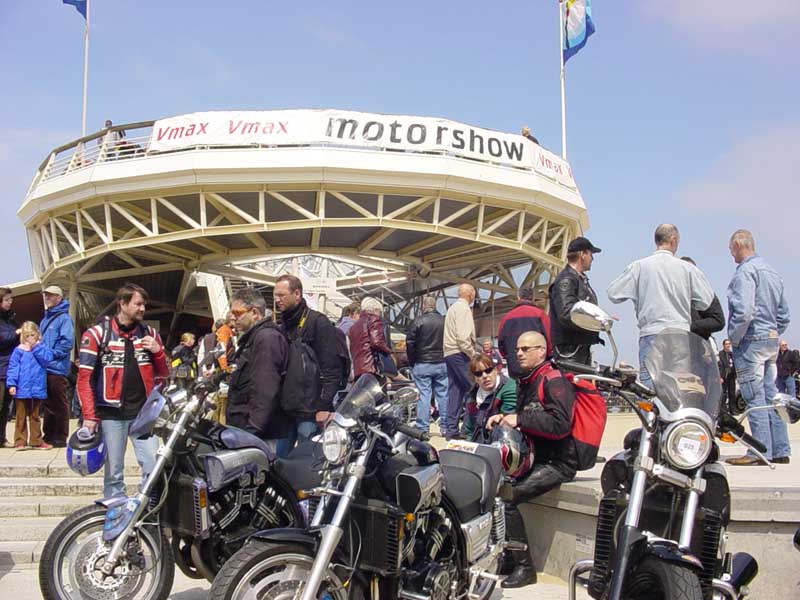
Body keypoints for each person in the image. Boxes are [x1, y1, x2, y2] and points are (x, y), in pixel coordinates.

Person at [486, 331, 580, 588]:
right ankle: (507, 556)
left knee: (506, 498)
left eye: (526, 349)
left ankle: (524, 567)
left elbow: (561, 425)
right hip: (536, 457)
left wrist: (520, 419)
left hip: (558, 463)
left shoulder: (554, 380)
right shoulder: (528, 380)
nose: (519, 353)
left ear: (541, 351)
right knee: (492, 489)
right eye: (517, 349)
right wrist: (505, 418)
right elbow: (528, 416)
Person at [77, 283, 170, 498]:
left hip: (143, 414)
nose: (142, 309)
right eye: (138, 304)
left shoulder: (150, 334)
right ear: (122, 303)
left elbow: (165, 373)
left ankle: (146, 508)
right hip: (111, 415)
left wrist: (158, 352)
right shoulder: (97, 334)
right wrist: (89, 416)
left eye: (144, 305)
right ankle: (115, 512)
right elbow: (84, 379)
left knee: (153, 465)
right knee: (114, 473)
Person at [607, 224, 714, 387]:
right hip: (679, 335)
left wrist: (638, 293)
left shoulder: (639, 267)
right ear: (673, 240)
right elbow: (706, 300)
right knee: (678, 389)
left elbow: (613, 293)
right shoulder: (687, 269)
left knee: (650, 389)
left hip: (651, 333)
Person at [725, 229, 791, 466]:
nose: (731, 254)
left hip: (751, 341)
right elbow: (784, 314)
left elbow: (744, 312)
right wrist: (772, 332)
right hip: (770, 340)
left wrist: (734, 338)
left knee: (754, 397)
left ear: (737, 246)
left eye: (731, 249)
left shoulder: (745, 272)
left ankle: (759, 451)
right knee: (771, 396)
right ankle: (780, 449)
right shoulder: (772, 272)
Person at [274, 274, 347, 444]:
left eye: (282, 295)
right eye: (275, 295)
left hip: (311, 411)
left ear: (297, 294)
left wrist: (324, 405)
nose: (277, 300)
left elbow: (331, 367)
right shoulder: (284, 325)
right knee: (281, 457)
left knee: (307, 456)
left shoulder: (318, 322)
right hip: (286, 408)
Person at [226, 288, 291, 456]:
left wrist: (252, 432)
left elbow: (265, 389)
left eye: (237, 312)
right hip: (247, 430)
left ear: (254, 313)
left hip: (259, 436)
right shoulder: (254, 338)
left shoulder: (266, 338)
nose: (232, 317)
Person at [549, 237, 602, 365]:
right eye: (591, 254)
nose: (592, 259)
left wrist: (601, 318)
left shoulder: (577, 279)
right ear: (583, 254)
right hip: (570, 351)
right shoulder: (567, 280)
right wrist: (596, 320)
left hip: (577, 348)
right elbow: (566, 314)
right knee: (571, 378)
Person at [7, 322, 53, 449]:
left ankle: (36, 440)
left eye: (32, 335)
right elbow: (13, 367)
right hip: (22, 388)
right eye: (27, 336)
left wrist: (36, 347)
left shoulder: (42, 347)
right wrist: (12, 384)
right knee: (20, 416)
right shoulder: (19, 350)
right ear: (23, 336)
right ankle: (20, 441)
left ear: (37, 334)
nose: (30, 338)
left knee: (35, 416)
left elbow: (47, 360)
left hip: (37, 388)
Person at [39, 285, 75, 448]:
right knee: (48, 403)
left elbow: (67, 342)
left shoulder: (64, 319)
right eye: (46, 295)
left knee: (59, 402)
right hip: (45, 367)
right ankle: (48, 435)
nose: (47, 297)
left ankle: (60, 436)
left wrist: (51, 354)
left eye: (50, 295)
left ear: (59, 298)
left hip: (57, 368)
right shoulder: (45, 319)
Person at [406, 295, 448, 434]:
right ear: (435, 306)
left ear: (423, 306)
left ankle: (423, 428)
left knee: (424, 395)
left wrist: (413, 361)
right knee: (443, 395)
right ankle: (445, 426)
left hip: (422, 363)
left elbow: (410, 343)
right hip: (442, 362)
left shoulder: (418, 321)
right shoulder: (444, 321)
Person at [443, 283, 478, 440]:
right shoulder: (464, 309)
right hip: (460, 353)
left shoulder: (452, 308)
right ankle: (472, 426)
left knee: (455, 392)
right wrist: (472, 354)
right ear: (471, 294)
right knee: (475, 387)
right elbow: (463, 337)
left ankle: (451, 429)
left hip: (449, 352)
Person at [497, 286, 551, 378]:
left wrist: (510, 357)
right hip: (537, 368)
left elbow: (501, 345)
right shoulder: (540, 314)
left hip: (515, 368)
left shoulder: (506, 317)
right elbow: (549, 340)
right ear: (533, 298)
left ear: (518, 297)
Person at [464, 354, 516, 443]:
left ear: (495, 370)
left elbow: (508, 419)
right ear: (475, 378)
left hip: (502, 441)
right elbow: (469, 427)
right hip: (478, 442)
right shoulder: (473, 395)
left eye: (488, 371)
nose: (484, 376)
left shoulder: (509, 388)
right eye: (478, 374)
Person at [348, 296, 394, 379]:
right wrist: (389, 351)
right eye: (379, 312)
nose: (379, 314)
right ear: (375, 310)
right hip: (372, 366)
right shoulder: (373, 319)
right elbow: (377, 342)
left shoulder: (354, 326)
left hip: (358, 367)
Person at [681, 257, 725, 341]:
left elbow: (718, 321)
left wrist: (688, 327)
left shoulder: (706, 293)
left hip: (698, 342)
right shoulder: (672, 292)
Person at [0, 287, 17, 448]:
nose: (10, 302)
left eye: (11, 299)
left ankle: (2, 438)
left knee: (5, 407)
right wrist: (17, 333)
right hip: (1, 367)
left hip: (9, 368)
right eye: (7, 300)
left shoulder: (10, 319)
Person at [718, 339, 738, 414]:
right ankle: (724, 411)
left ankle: (732, 410)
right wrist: (720, 376)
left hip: (731, 376)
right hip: (724, 376)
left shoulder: (732, 354)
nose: (728, 345)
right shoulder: (720, 354)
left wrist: (736, 374)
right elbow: (719, 366)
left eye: (729, 344)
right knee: (723, 394)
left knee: (732, 393)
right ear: (723, 345)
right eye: (726, 344)